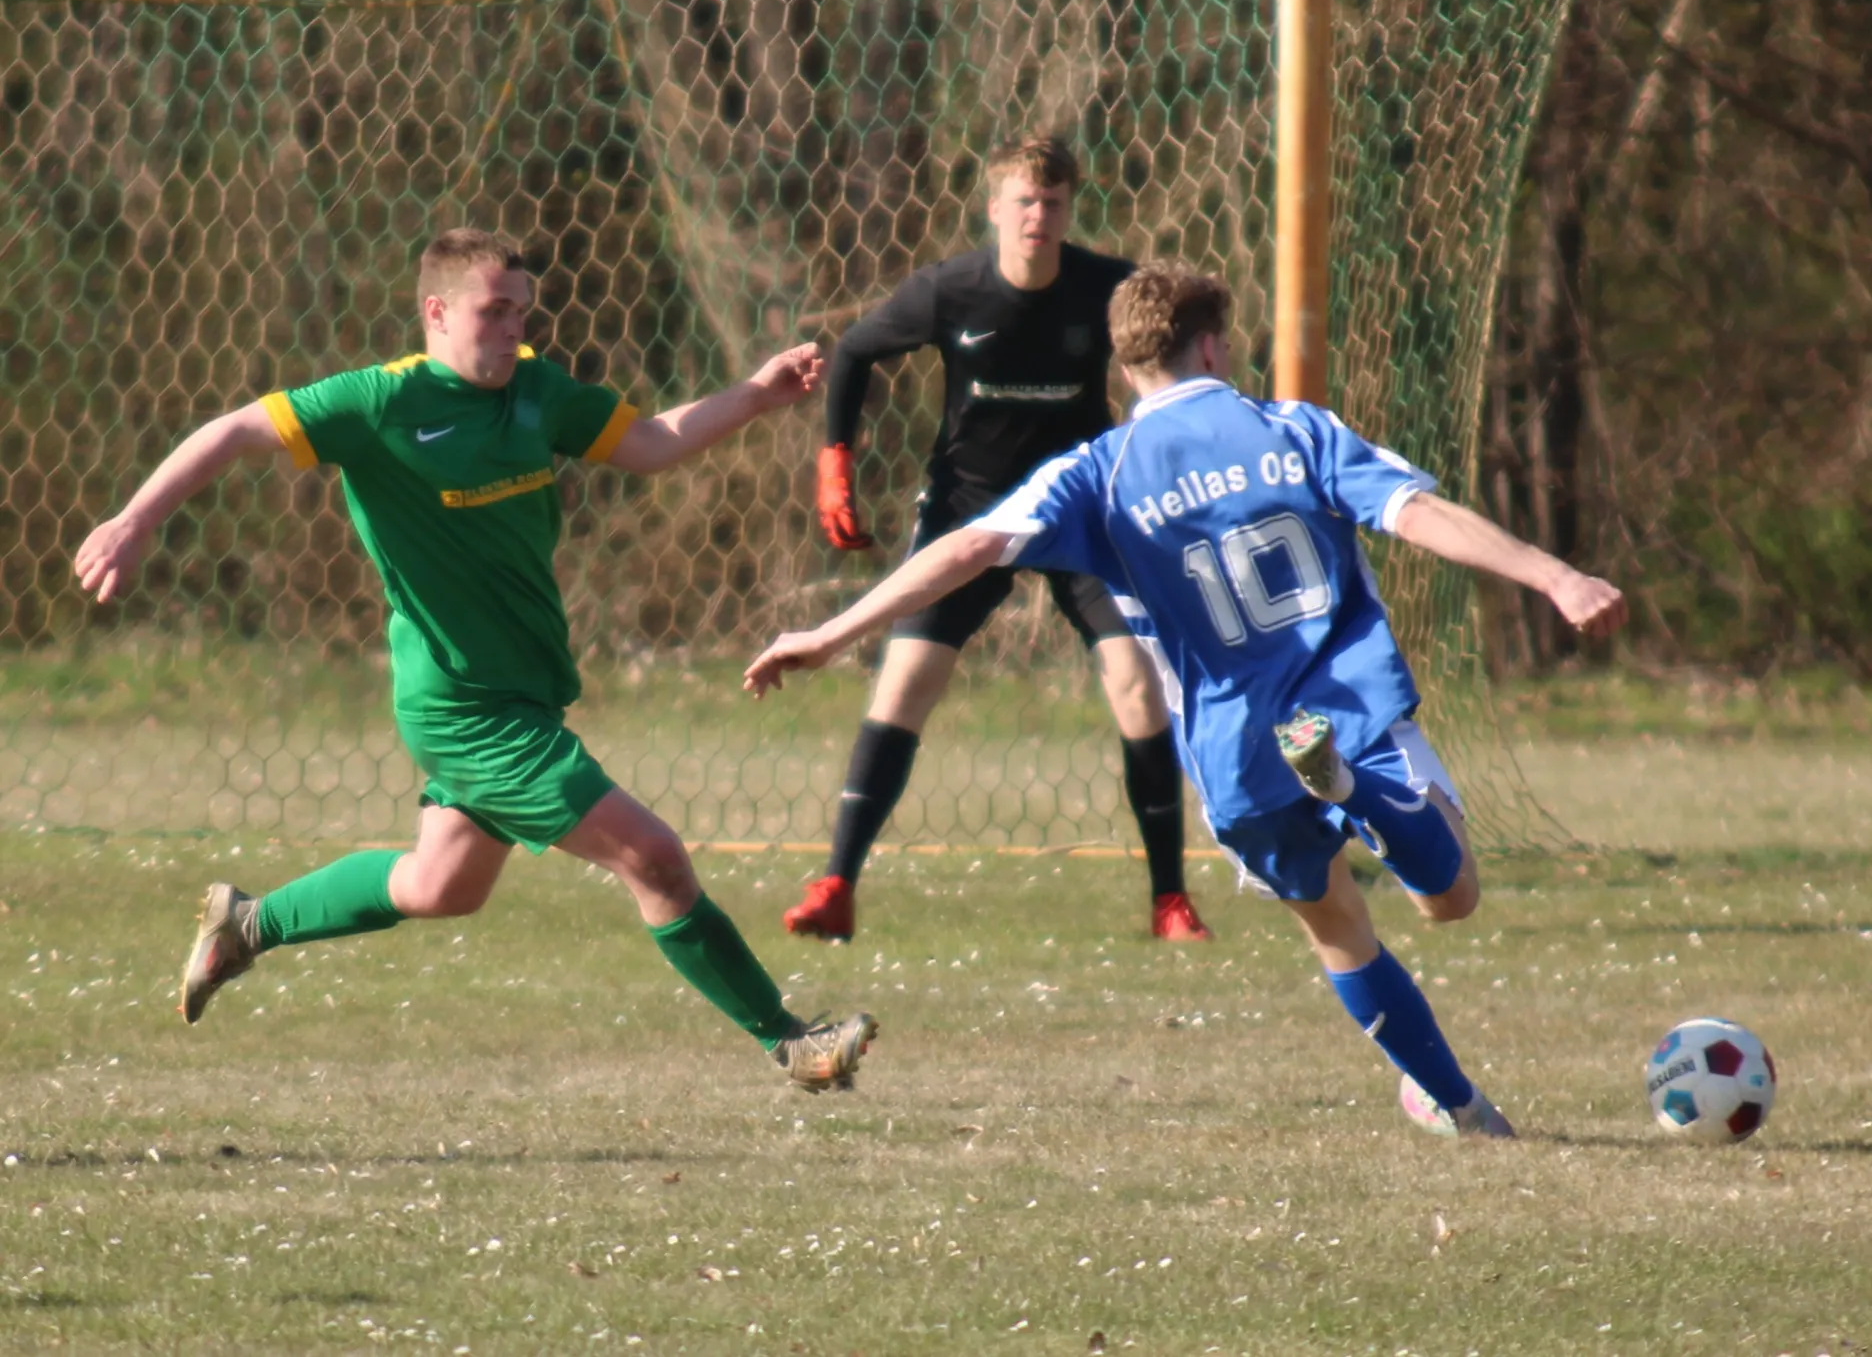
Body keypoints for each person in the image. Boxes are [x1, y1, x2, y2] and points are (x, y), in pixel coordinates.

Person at [746, 261, 1627, 1136]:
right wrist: (1556, 576)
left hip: (1234, 754)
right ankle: (1355, 791)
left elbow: (966, 548)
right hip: (1346, 706)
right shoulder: (1292, 430)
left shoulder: (1098, 471)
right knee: (1449, 896)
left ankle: (1466, 1111)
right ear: (1212, 346)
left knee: (1338, 929)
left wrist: (831, 633)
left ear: (1125, 363)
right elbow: (1416, 512)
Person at [73, 229, 876, 1093]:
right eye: (495, 311)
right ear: (437, 311)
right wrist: (135, 520)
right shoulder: (378, 403)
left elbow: (648, 442)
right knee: (654, 857)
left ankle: (248, 925)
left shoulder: (535, 390)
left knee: (441, 886)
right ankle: (790, 1042)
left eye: (522, 311)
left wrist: (754, 395)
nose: (513, 328)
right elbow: (233, 431)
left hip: (525, 693)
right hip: (461, 708)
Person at [791, 136, 1210, 944]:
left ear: (1068, 211)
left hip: (1082, 512)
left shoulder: (1106, 288)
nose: (1037, 217)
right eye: (1023, 201)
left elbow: (1173, 352)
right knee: (905, 683)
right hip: (970, 511)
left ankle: (1170, 901)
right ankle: (837, 883)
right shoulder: (950, 290)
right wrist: (834, 462)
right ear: (994, 209)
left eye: (1052, 203)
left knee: (1136, 683)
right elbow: (856, 351)